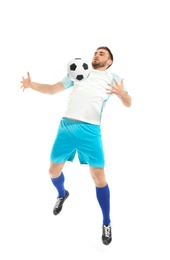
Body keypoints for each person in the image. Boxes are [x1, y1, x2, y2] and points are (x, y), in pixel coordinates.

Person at [20, 46, 131, 245]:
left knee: (99, 179)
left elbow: (128, 102)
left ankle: (106, 222)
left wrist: (123, 94)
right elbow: (53, 89)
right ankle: (62, 194)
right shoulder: (80, 70)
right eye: (96, 52)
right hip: (66, 128)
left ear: (110, 61)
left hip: (90, 132)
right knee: (53, 171)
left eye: (102, 53)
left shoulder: (113, 77)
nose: (97, 55)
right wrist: (31, 84)